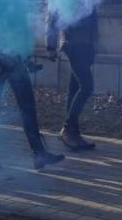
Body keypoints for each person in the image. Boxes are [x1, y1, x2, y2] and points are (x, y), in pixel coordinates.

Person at [0, 52, 64, 170]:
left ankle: (39, 153)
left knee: (27, 106)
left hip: (14, 60)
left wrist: (25, 60)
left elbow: (18, 37)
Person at [47, 8, 98, 151]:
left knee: (74, 88)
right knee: (86, 87)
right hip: (72, 43)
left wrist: (93, 44)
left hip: (86, 45)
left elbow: (93, 17)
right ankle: (68, 128)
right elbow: (53, 16)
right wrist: (51, 45)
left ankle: (73, 133)